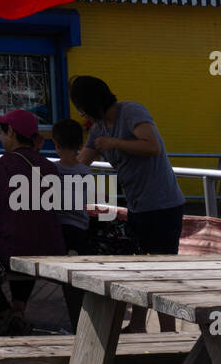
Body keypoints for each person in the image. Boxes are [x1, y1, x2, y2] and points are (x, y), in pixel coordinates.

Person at [73, 74, 185, 333]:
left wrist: (113, 143)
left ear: (91, 102)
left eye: (81, 107)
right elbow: (81, 164)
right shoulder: (98, 129)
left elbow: (152, 146)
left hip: (163, 205)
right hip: (137, 207)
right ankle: (137, 323)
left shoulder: (131, 111)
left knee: (160, 271)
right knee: (139, 267)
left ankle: (169, 331)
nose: (81, 114)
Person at [0, 109, 65, 335]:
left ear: (10, 133)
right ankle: (17, 310)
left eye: (1, 131)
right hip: (49, 248)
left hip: (11, 250)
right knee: (26, 234)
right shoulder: (50, 167)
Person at [52, 117, 94, 330]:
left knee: (66, 282)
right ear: (80, 145)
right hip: (80, 230)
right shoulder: (85, 172)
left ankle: (75, 325)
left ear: (56, 144)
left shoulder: (51, 170)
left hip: (58, 231)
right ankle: (81, 324)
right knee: (77, 283)